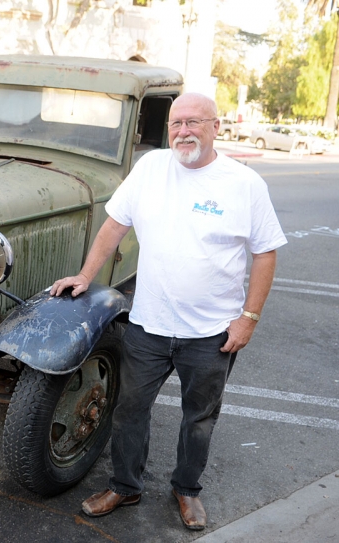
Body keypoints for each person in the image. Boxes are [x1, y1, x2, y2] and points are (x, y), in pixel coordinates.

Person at [50, 93, 287, 530]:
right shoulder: (151, 168)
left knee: (198, 418)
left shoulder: (244, 184)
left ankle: (186, 489)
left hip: (213, 333)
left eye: (194, 122)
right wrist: (86, 275)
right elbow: (114, 225)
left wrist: (249, 318)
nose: (183, 131)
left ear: (217, 127)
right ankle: (125, 485)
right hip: (149, 325)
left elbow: (265, 252)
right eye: (177, 122)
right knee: (128, 409)